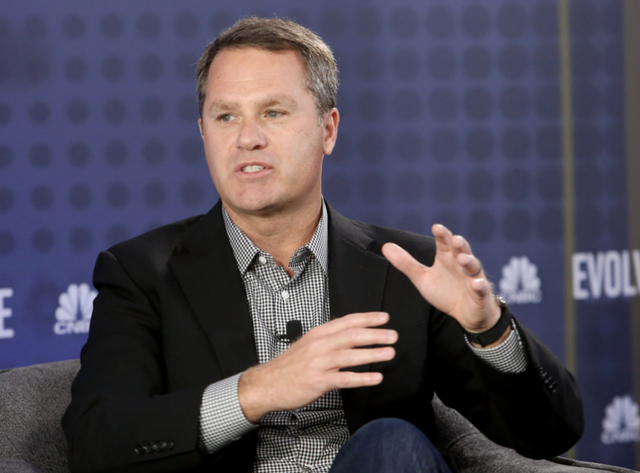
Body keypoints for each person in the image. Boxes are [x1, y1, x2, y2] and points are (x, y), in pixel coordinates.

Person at [62, 17, 583, 473]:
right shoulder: (140, 272)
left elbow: (549, 434)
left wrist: (488, 329)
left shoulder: (409, 269)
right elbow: (96, 441)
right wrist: (257, 390)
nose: (247, 138)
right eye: (226, 116)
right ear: (203, 133)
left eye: (273, 112)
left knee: (391, 443)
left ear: (328, 129)